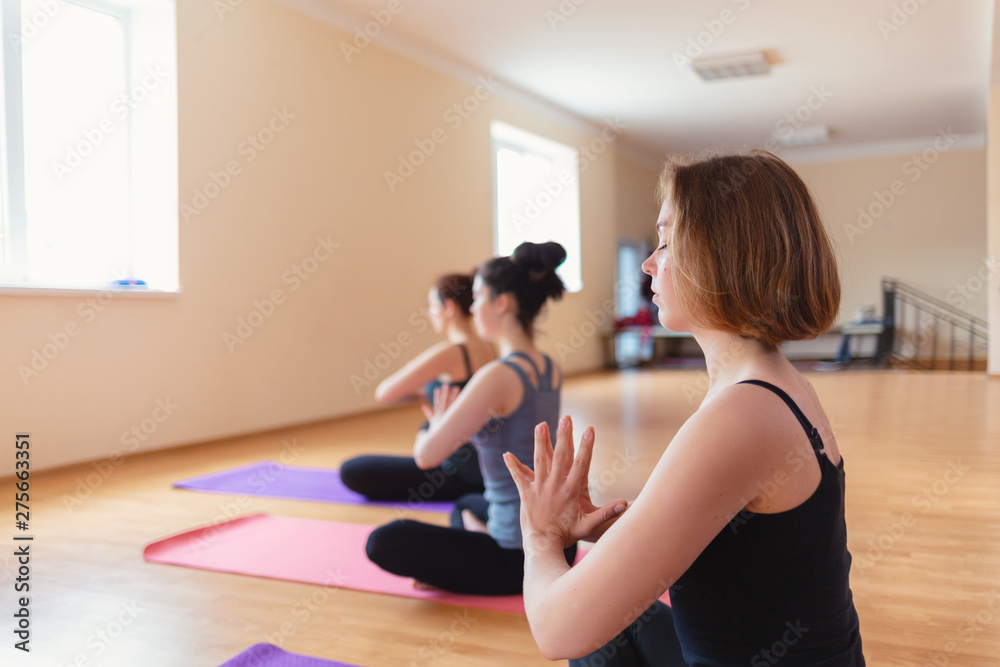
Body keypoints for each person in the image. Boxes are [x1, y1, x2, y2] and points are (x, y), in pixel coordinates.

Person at [504, 151, 865, 665]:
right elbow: (761, 551)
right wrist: (626, 532)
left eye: (667, 240)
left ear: (722, 255)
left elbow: (555, 632)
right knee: (614, 626)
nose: (650, 262)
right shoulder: (776, 381)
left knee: (587, 633)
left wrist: (540, 535)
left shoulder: (742, 416)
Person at [365, 241, 576, 595]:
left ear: (503, 303)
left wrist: (435, 426)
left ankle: (472, 564)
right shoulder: (548, 367)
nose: (473, 307)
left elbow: (426, 456)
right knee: (465, 504)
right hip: (561, 546)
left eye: (478, 298)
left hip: (517, 557)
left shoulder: (497, 376)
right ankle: (473, 552)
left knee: (382, 541)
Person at [339, 273, 494, 504]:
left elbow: (385, 393)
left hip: (457, 469)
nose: (430, 313)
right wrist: (429, 389)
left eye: (432, 306)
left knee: (351, 470)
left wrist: (423, 392)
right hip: (486, 464)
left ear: (449, 307)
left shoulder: (449, 352)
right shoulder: (488, 347)